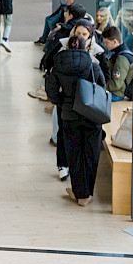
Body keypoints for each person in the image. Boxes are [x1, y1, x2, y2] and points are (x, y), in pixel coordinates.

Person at [46, 33, 106, 207]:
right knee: (91, 154)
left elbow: (51, 91)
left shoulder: (59, 65)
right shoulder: (93, 65)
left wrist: (63, 103)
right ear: (84, 47)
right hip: (91, 116)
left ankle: (79, 192)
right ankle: (87, 193)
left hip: (69, 116)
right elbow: (102, 88)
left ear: (67, 47)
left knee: (74, 154)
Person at [102, 26, 133, 102]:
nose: (105, 45)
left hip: (117, 94)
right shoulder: (119, 53)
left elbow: (116, 84)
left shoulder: (122, 58)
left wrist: (101, 85)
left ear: (115, 41)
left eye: (107, 42)